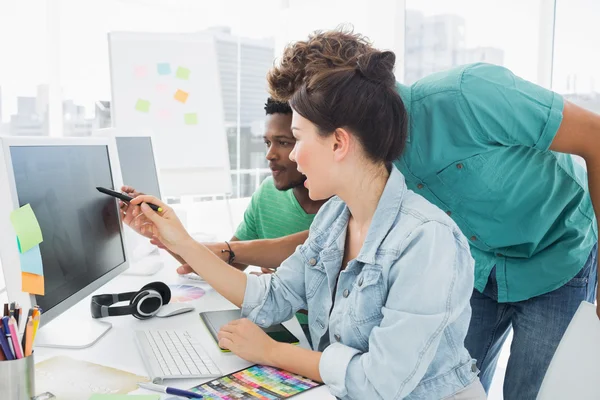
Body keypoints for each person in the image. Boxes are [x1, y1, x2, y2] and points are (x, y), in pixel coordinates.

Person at [216, 29, 598, 400]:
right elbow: (326, 240)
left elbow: (595, 137)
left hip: (560, 253)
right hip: (480, 265)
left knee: (531, 392)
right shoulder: (369, 164)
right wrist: (232, 251)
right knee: (439, 378)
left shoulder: (470, 94)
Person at [127, 49, 486, 399]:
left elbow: (379, 383)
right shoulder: (334, 218)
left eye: (297, 138)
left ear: (339, 143)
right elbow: (272, 297)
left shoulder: (426, 240)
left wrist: (271, 352)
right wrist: (180, 239)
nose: (293, 155)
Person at [120, 98, 325, 344]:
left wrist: (277, 286)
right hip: (274, 329)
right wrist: (159, 231)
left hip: (317, 342)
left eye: (283, 142)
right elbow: (221, 269)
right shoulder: (267, 194)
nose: (270, 154)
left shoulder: (346, 210)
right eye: (267, 143)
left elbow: (226, 255)